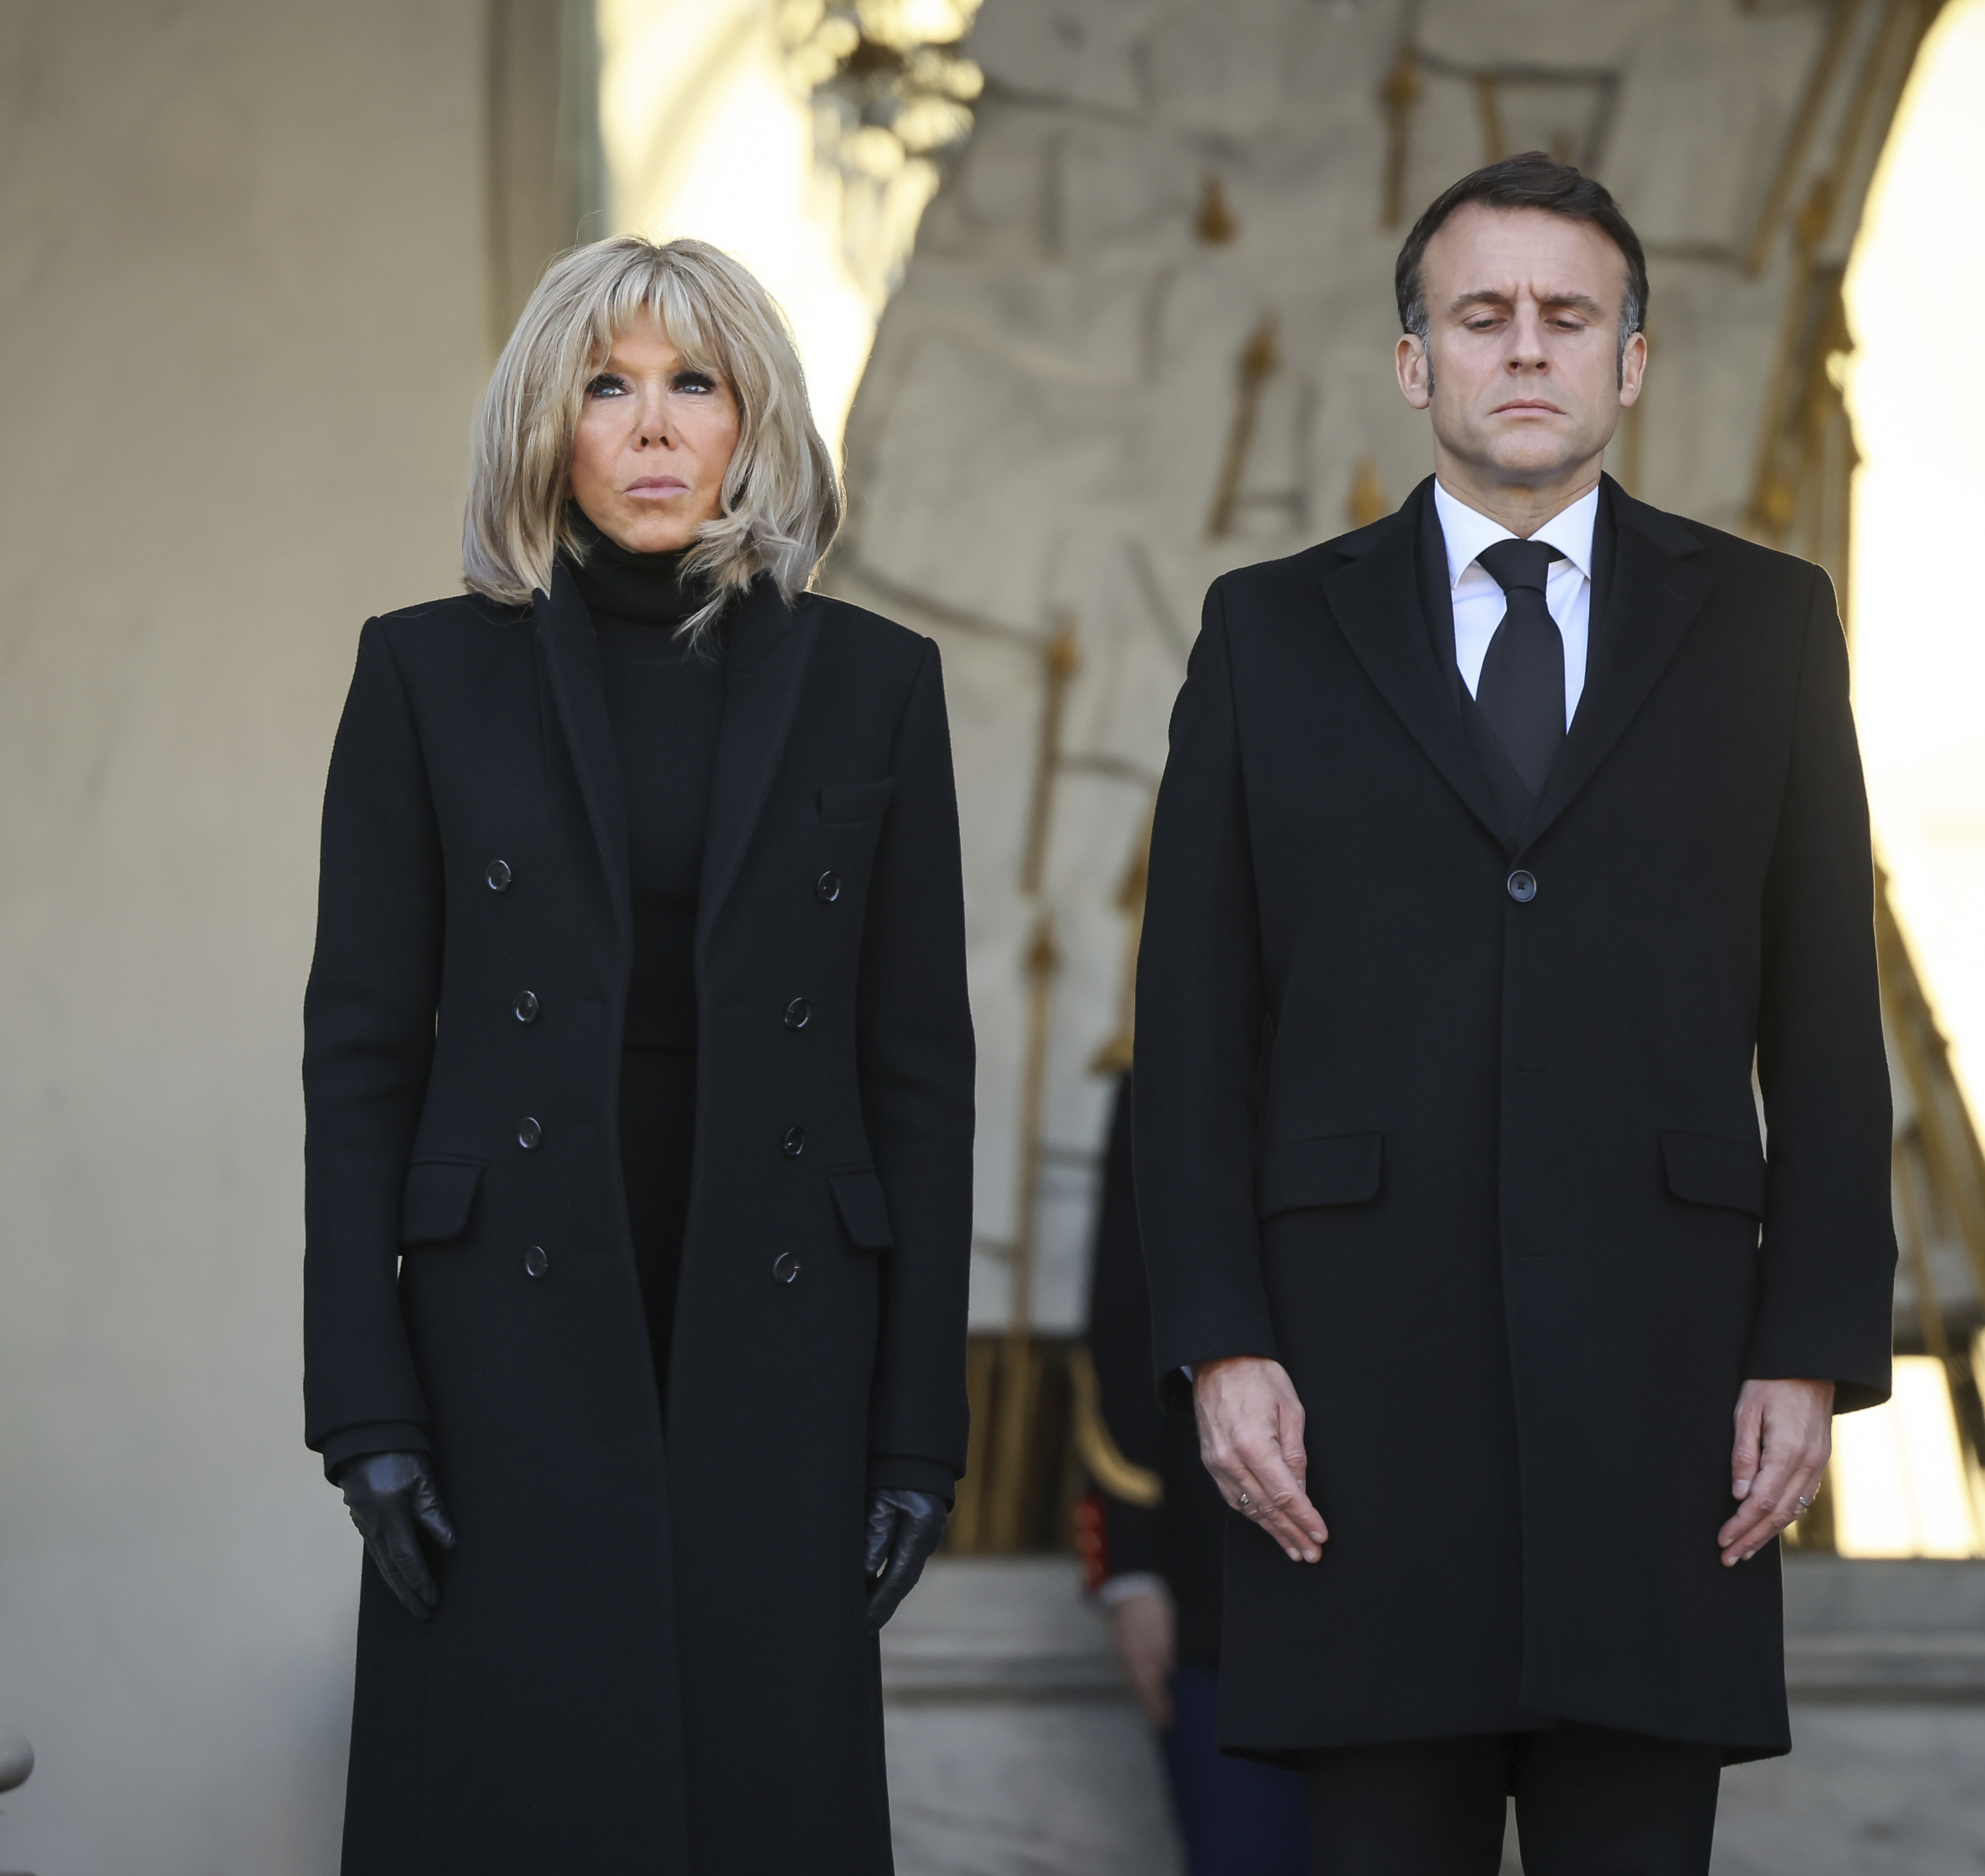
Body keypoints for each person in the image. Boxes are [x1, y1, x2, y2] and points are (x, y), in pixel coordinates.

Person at [1131, 154, 1897, 1876]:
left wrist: (1810, 1344)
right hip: (1353, 1410)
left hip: (1669, 1399)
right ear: (1416, 360)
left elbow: (1828, 1025)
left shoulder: (1770, 627)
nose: (1527, 348)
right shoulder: (1267, 636)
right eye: (1484, 316)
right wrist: (1219, 1338)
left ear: (1634, 359)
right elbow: (1189, 1030)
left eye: (1570, 317)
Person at [301, 235, 974, 1872]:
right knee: (514, 1799)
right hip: (502, 1346)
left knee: (760, 1800)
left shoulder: (877, 685)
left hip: (781, 1330)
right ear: (550, 422)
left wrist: (914, 1431)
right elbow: (360, 1056)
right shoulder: (425, 674)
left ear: (756, 426)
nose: (654, 425)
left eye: (696, 385)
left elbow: (918, 1075)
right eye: (609, 385)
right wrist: (362, 1403)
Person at [1080, 1075, 1314, 1876]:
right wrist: (1130, 1571)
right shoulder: (1171, 1082)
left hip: (1418, 1588)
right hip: (1216, 1580)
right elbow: (1121, 1327)